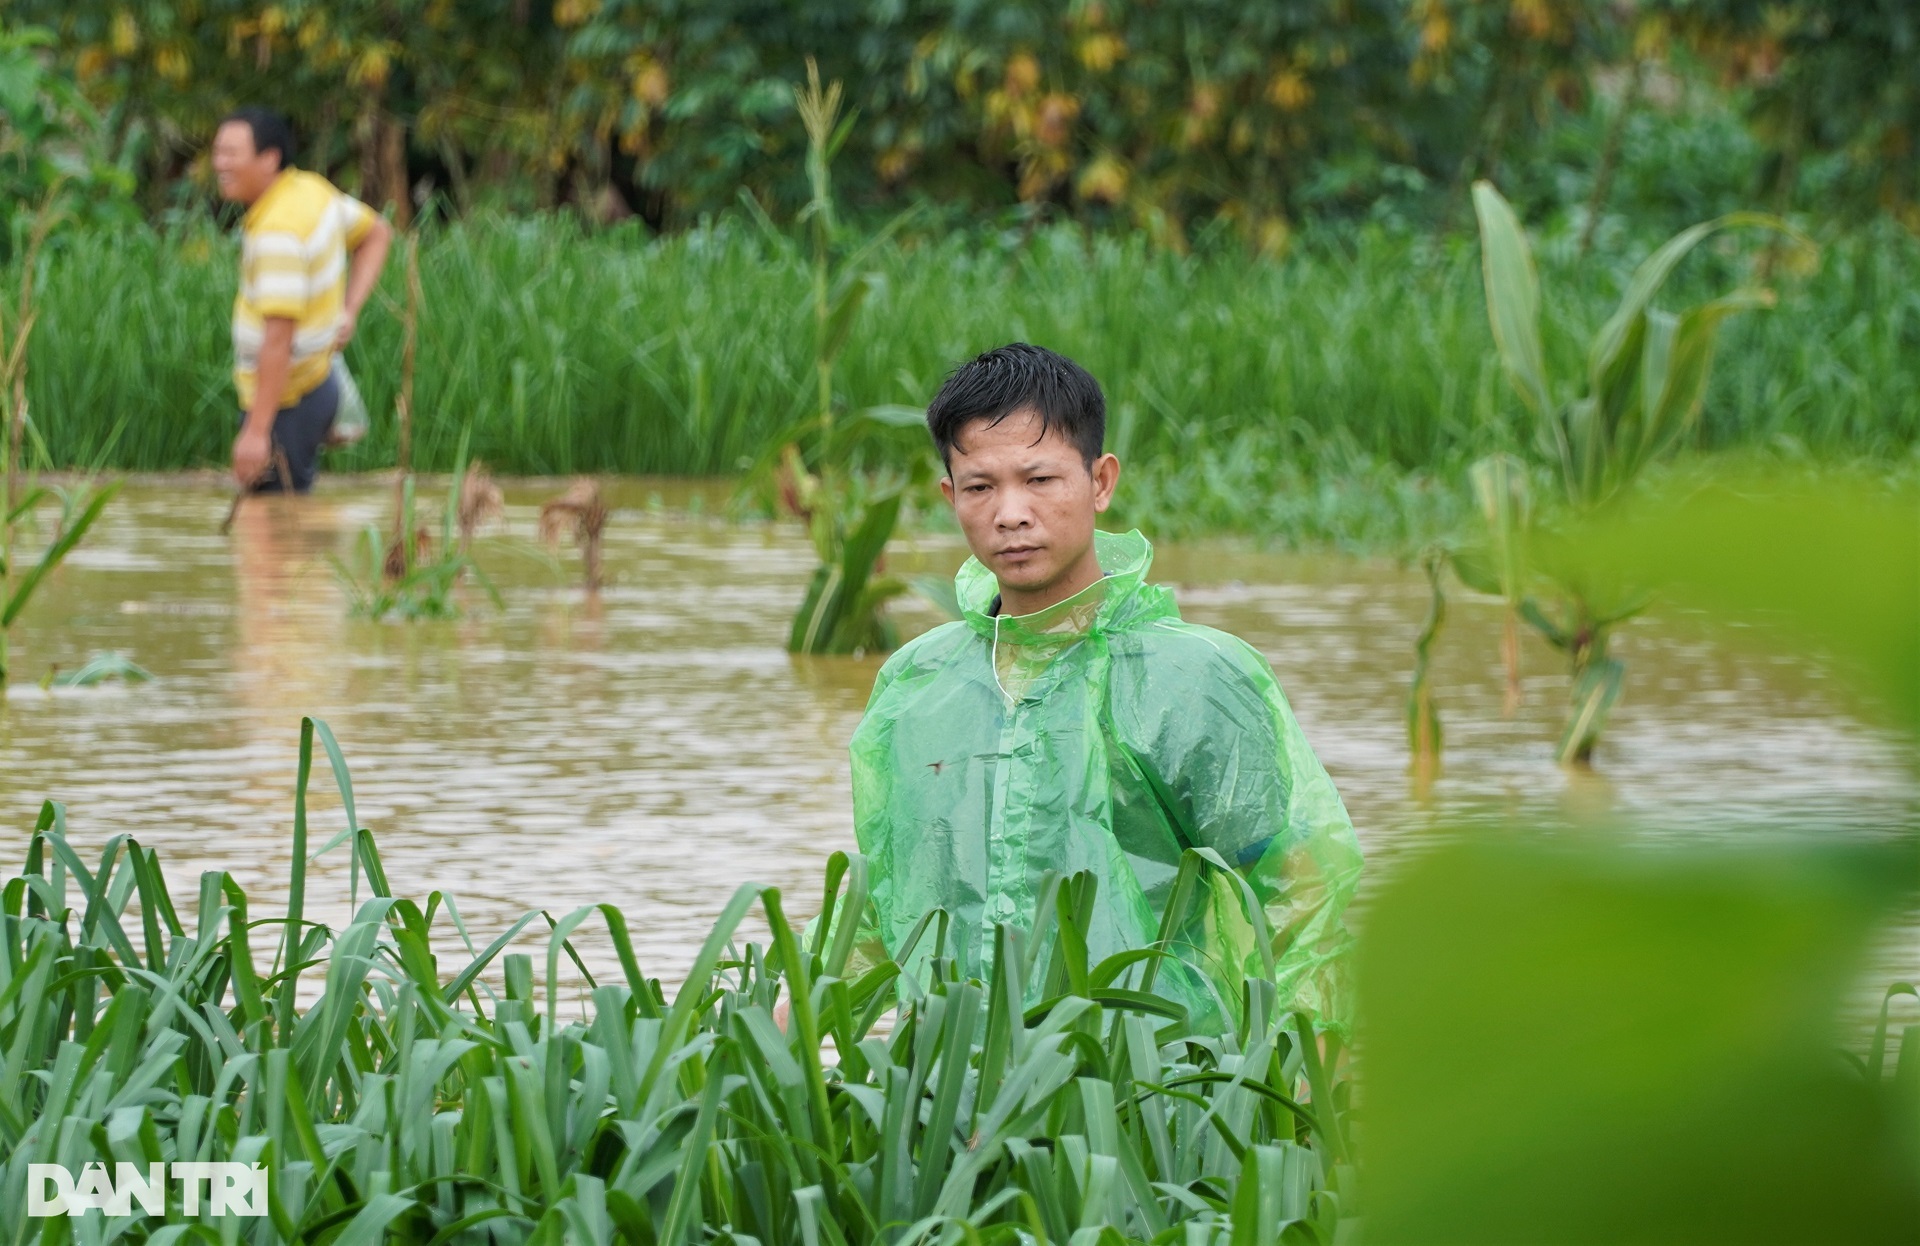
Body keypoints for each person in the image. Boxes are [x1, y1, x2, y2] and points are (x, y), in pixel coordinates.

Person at [846, 343, 1364, 1035]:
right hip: (952, 1093)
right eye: (980, 487)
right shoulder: (916, 683)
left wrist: (1307, 1091)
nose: (1011, 514)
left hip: (1153, 1091)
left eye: (1040, 480)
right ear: (950, 497)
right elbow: (889, 903)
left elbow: (1297, 897)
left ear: (1101, 481)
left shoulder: (1195, 677)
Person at [212, 108, 392, 493]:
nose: (219, 164)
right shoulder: (310, 191)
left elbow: (278, 338)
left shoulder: (279, 230)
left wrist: (257, 432)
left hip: (286, 401)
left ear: (269, 159)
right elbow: (377, 232)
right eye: (218, 152)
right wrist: (349, 310)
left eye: (231, 153)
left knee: (267, 529)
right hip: (316, 384)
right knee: (287, 520)